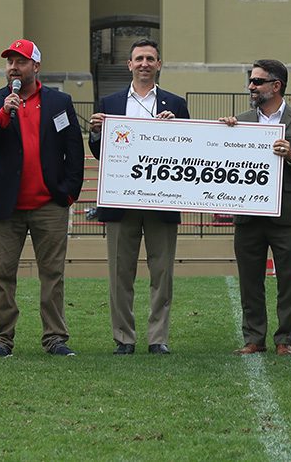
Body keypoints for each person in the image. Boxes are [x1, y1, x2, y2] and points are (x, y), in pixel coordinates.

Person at [0, 39, 84, 359]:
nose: (13, 68)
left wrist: (69, 192)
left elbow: (74, 149)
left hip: (49, 204)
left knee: (52, 274)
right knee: (3, 275)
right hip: (7, 206)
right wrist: (3, 116)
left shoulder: (60, 102)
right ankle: (2, 339)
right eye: (9, 62)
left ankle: (55, 338)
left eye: (20, 62)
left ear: (35, 67)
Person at [88, 39, 189, 355]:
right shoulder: (110, 103)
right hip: (121, 199)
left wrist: (177, 129)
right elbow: (99, 152)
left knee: (162, 273)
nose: (144, 63)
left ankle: (158, 338)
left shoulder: (175, 103)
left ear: (159, 64)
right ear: (129, 64)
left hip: (162, 200)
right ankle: (124, 338)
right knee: (120, 273)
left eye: (150, 58)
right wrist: (94, 133)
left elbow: (189, 149)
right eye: (138, 59)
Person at [218, 59, 291, 356]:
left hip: (286, 216)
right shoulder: (239, 121)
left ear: (276, 86)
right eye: (251, 81)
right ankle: (254, 338)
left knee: (288, 282)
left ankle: (284, 340)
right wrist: (224, 135)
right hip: (248, 215)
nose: (251, 86)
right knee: (250, 282)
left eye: (257, 81)